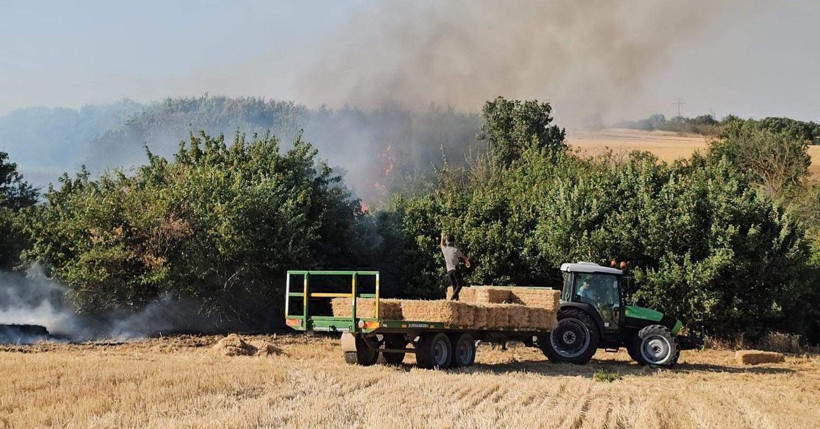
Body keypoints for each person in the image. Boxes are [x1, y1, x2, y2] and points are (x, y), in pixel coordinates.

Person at [440, 232, 470, 301]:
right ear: (453, 242)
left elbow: (441, 243)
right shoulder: (455, 250)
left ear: (447, 241)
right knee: (459, 285)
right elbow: (464, 258)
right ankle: (452, 299)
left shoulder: (444, 249)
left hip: (449, 270)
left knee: (454, 286)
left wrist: (442, 236)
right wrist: (467, 263)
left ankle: (456, 300)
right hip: (455, 269)